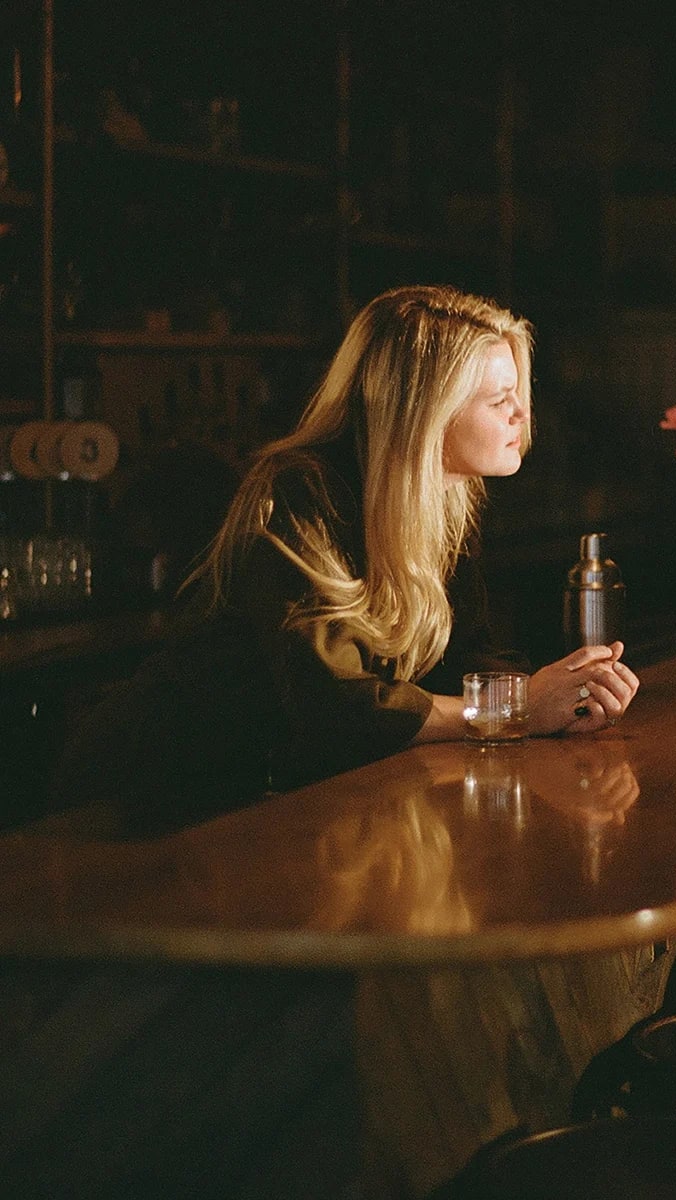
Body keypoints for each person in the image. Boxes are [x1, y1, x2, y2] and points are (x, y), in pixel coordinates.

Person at [54, 284, 639, 834]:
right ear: (423, 413)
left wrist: (569, 697)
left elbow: (467, 660)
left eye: (518, 394)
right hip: (150, 797)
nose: (522, 415)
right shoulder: (299, 492)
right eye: (499, 399)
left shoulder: (441, 500)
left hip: (263, 797)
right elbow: (335, 703)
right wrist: (512, 710)